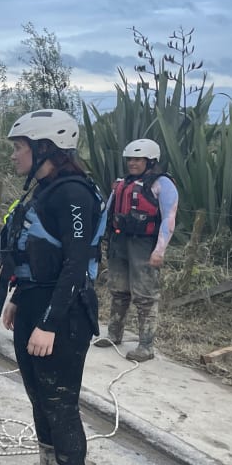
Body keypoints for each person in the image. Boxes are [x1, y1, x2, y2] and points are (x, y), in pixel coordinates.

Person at [0, 108, 106, 465]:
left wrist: (50, 323)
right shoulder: (46, 189)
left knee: (61, 405)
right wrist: (19, 299)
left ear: (44, 149)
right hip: (35, 306)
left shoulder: (73, 194)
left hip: (64, 316)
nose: (14, 155)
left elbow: (74, 266)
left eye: (19, 147)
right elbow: (38, 253)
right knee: (40, 400)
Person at [94, 138, 179, 362]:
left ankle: (146, 346)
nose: (132, 163)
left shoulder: (162, 184)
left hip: (144, 244)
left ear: (150, 161)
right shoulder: (122, 183)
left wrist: (160, 250)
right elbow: (108, 213)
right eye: (130, 159)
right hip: (120, 241)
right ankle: (114, 334)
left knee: (145, 295)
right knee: (118, 290)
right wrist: (98, 239)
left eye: (138, 159)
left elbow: (169, 218)